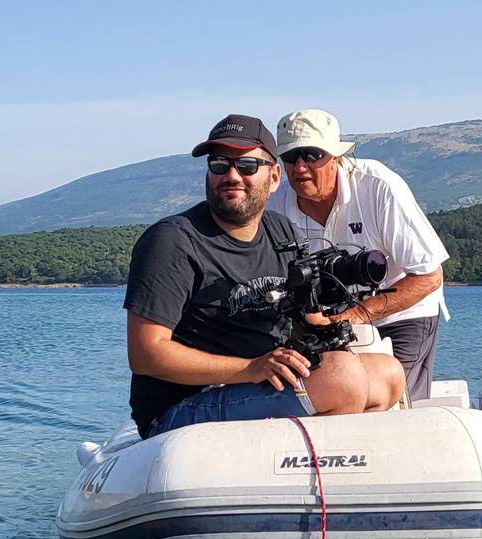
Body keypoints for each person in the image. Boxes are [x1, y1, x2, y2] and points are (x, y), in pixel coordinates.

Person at [123, 113, 403, 439]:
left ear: (273, 178)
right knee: (341, 378)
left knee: (387, 374)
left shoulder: (279, 231)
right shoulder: (173, 240)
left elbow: (303, 317)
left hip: (259, 381)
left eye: (246, 166)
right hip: (186, 404)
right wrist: (251, 368)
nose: (231, 175)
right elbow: (145, 355)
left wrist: (326, 323)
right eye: (219, 165)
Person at [268, 108, 451, 401]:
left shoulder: (378, 186)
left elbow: (429, 275)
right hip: (322, 319)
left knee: (393, 398)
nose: (300, 167)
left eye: (312, 155)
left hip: (402, 311)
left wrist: (356, 315)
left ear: (336, 157)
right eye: (290, 157)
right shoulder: (272, 206)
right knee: (324, 396)